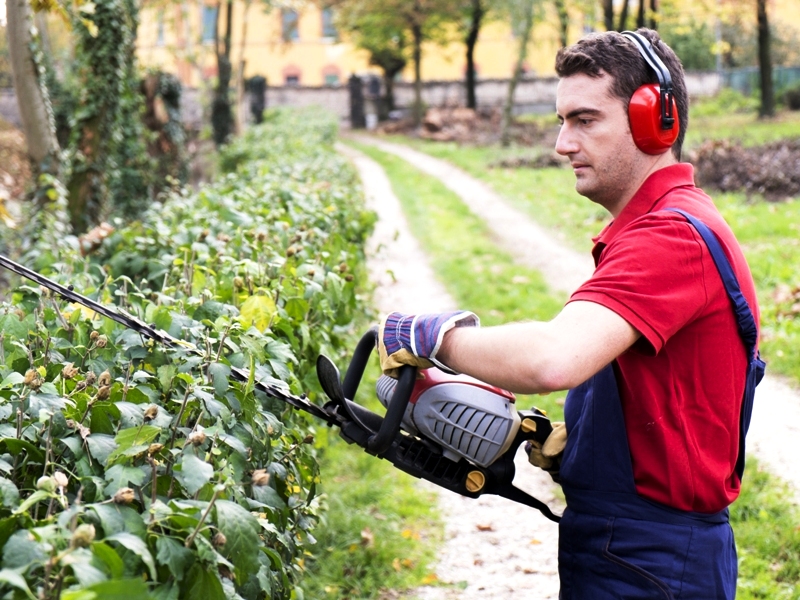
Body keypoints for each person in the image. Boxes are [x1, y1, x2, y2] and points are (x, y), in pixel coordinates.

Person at [377, 28, 765, 599]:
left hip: (650, 558)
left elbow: (554, 359)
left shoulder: (670, 237)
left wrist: (437, 335)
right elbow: (666, 391)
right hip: (634, 545)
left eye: (584, 120)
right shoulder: (657, 226)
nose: (562, 144)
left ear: (656, 119)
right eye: (562, 121)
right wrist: (576, 445)